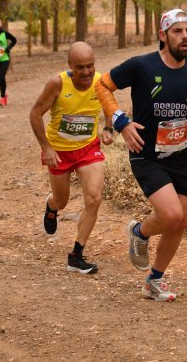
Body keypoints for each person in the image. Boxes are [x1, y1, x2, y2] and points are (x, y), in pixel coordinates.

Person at [95, 9, 187, 301]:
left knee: (180, 221)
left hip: (181, 155)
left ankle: (154, 281)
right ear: (163, 36)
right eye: (178, 31)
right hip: (145, 153)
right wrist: (121, 122)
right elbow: (102, 85)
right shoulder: (141, 66)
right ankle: (139, 232)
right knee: (171, 214)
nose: (185, 36)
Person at [29, 41, 114, 275]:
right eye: (80, 67)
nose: (86, 72)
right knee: (62, 200)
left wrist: (108, 129)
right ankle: (51, 205)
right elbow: (35, 114)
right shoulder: (57, 84)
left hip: (88, 149)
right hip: (59, 152)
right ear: (69, 66)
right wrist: (46, 147)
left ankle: (76, 255)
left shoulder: (101, 82)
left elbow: (111, 108)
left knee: (94, 198)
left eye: (90, 66)